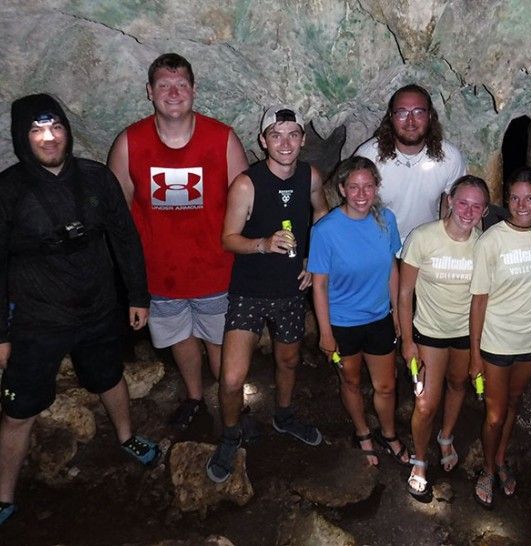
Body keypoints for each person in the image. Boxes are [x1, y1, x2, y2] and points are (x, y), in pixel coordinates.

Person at [0, 94, 159, 526]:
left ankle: (127, 437)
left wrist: (138, 295)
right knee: (18, 410)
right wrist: (2, 333)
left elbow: (125, 237)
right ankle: (4, 494)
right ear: (23, 137)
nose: (49, 138)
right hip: (37, 318)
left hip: (97, 308)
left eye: (56, 128)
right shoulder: (9, 190)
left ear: (67, 131)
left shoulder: (96, 177)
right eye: (37, 130)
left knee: (110, 376)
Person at [108, 53, 249, 431]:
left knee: (221, 345)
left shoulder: (222, 138)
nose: (174, 93)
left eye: (182, 84)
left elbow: (247, 199)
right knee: (181, 340)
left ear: (194, 90)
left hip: (217, 269)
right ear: (149, 92)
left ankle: (230, 399)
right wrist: (129, 278)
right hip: (160, 274)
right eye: (165, 85)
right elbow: (116, 211)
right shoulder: (129, 143)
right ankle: (194, 397)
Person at [206, 105, 328, 483]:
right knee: (231, 378)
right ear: (263, 141)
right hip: (250, 291)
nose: (286, 142)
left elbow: (322, 214)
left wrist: (314, 258)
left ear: (303, 139)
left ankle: (284, 416)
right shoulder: (247, 183)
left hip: (291, 290)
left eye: (293, 134)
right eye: (276, 135)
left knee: (288, 361)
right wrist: (262, 243)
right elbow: (228, 239)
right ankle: (230, 434)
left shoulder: (309, 176)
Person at [469, 168, 531, 507]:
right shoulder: (491, 240)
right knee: (494, 413)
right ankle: (486, 470)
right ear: (505, 200)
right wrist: (475, 354)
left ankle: (498, 460)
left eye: (530, 197)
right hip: (496, 339)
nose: (522, 205)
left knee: (512, 404)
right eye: (514, 198)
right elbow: (479, 299)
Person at [310, 156, 409, 469]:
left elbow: (392, 267)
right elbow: (319, 285)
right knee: (351, 381)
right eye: (354, 187)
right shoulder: (326, 230)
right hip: (342, 323)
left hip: (378, 317)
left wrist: (395, 312)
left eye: (368, 186)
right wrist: (325, 333)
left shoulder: (386, 220)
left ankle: (389, 433)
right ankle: (363, 432)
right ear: (342, 189)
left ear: (377, 187)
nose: (362, 193)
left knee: (386, 384)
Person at [397, 175, 490, 497]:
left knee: (458, 384)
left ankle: (446, 436)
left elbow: (486, 297)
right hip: (430, 333)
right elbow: (405, 292)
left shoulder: (484, 244)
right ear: (450, 200)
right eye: (462, 202)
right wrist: (407, 341)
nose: (468, 211)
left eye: (476, 206)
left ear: (485, 210)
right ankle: (420, 459)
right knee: (425, 404)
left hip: (467, 333)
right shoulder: (423, 237)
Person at [355, 84, 466, 245]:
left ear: (429, 116)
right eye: (402, 113)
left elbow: (456, 201)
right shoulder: (369, 156)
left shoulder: (449, 156)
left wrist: (446, 241)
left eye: (418, 112)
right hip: (378, 243)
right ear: (391, 117)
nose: (410, 121)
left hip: (427, 243)